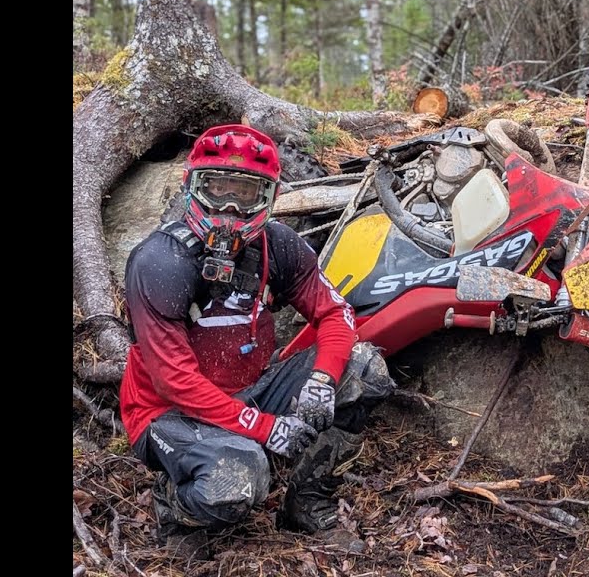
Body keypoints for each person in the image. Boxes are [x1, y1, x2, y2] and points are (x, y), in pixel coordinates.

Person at [118, 123, 395, 547]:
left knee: (364, 370)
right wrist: (264, 428)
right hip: (165, 413)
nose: (229, 207)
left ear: (270, 196)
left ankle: (306, 499)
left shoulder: (279, 247)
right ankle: (174, 505)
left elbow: (335, 313)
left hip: (250, 387)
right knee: (238, 478)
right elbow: (174, 382)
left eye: (245, 193)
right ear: (190, 186)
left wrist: (322, 380)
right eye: (217, 188)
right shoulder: (159, 262)